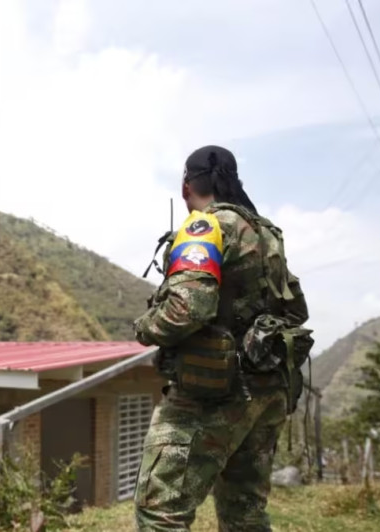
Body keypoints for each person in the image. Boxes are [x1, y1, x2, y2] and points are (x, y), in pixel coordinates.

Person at [132, 145, 313, 531]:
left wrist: (145, 327)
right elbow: (296, 311)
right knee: (245, 514)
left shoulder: (205, 226)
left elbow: (187, 309)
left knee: (160, 510)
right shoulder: (266, 234)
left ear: (186, 188)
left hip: (212, 393)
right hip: (267, 392)